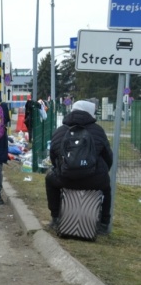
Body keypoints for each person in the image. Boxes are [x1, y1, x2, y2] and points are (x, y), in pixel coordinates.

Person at [45, 100, 113, 234]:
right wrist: (103, 172)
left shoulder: (60, 131)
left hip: (66, 179)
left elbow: (53, 156)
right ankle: (104, 224)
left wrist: (60, 169)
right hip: (94, 180)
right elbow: (108, 157)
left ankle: (56, 217)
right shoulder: (98, 130)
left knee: (49, 179)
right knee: (106, 187)